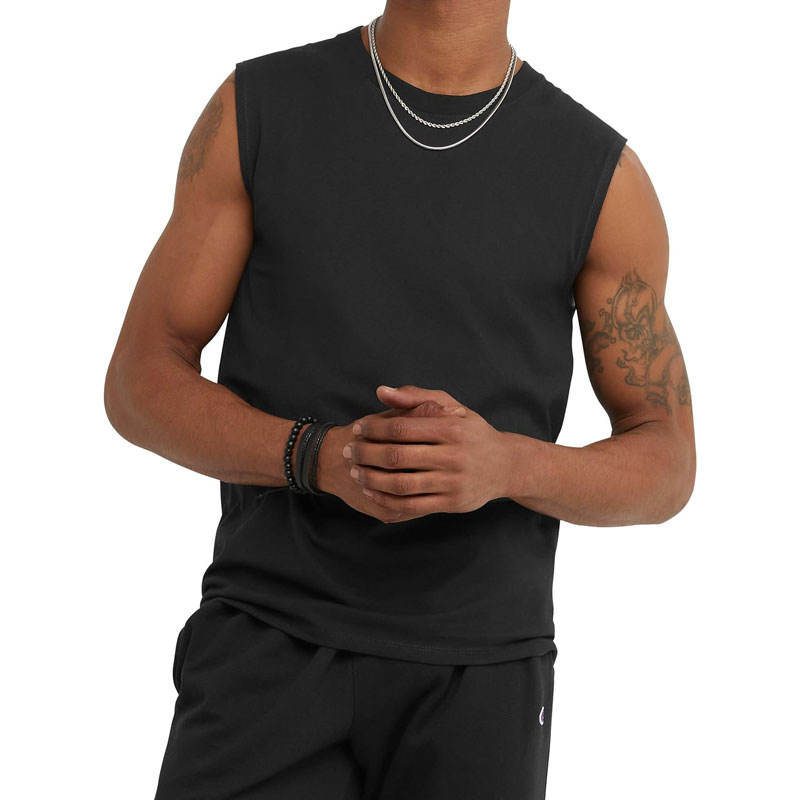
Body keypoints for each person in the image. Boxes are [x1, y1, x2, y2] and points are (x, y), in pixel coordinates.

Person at [105, 2, 696, 797]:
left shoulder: (602, 175)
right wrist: (313, 456)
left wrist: (506, 465)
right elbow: (139, 380)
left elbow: (666, 461)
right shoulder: (259, 108)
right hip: (268, 637)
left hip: (480, 672)